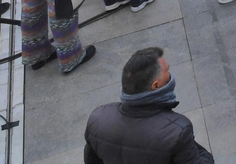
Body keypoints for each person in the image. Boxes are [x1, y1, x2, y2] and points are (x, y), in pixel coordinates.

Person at [83, 46, 213, 164]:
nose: (170, 75)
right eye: (167, 71)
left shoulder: (98, 118)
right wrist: (204, 154)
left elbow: (91, 161)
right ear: (156, 85)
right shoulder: (177, 132)